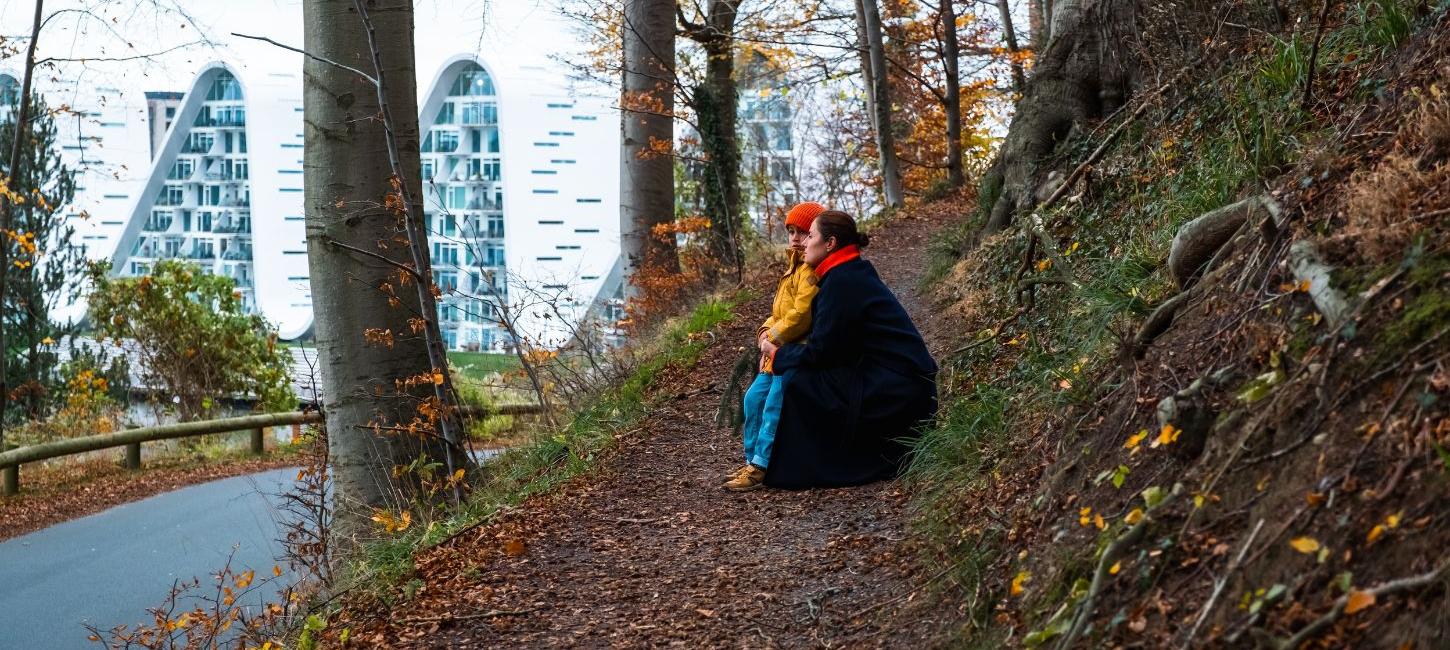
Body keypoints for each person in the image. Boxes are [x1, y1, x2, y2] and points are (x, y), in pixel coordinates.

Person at [761, 210, 937, 489]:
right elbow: (834, 347)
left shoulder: (842, 282)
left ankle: (798, 468)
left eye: (811, 236)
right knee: (806, 377)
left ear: (830, 244)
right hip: (900, 384)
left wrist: (778, 354)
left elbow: (822, 352)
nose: (804, 242)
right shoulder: (846, 273)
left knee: (799, 382)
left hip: (898, 392)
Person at [724, 201, 827, 491]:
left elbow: (801, 315)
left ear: (817, 235)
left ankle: (761, 465)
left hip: (791, 353)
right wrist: (765, 331)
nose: (795, 238)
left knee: (773, 406)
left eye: (804, 232)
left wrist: (774, 340)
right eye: (791, 231)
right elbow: (779, 312)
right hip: (774, 352)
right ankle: (752, 460)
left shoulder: (808, 272)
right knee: (753, 400)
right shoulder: (791, 269)